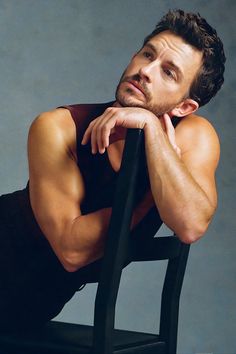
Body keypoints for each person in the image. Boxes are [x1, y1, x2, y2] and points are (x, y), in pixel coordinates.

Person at [0, 9, 225, 331]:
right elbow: (71, 251)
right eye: (147, 54)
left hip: (28, 308)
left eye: (169, 72)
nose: (145, 70)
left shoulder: (195, 134)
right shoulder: (59, 127)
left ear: (183, 107)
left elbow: (190, 225)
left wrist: (150, 128)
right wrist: (150, 188)